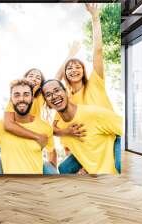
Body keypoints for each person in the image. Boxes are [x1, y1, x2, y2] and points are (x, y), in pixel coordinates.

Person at [53, 3, 121, 174]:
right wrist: (69, 56)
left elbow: (98, 51)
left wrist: (95, 17)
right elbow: (53, 84)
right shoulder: (65, 101)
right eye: (70, 68)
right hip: (90, 145)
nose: (74, 69)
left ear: (83, 70)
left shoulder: (95, 83)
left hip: (111, 138)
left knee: (119, 167)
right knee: (64, 169)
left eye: (78, 66)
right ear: (65, 74)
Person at [42, 79, 122, 174]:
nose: (54, 96)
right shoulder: (61, 128)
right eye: (48, 95)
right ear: (47, 103)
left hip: (113, 175)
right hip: (93, 178)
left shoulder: (94, 113)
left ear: (66, 92)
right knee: (64, 168)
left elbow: (127, 131)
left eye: (57, 90)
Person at [0, 79, 57, 174]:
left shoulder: (45, 127)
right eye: (16, 95)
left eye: (26, 94)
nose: (21, 99)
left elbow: (51, 151)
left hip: (37, 186)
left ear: (32, 97)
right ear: (11, 99)